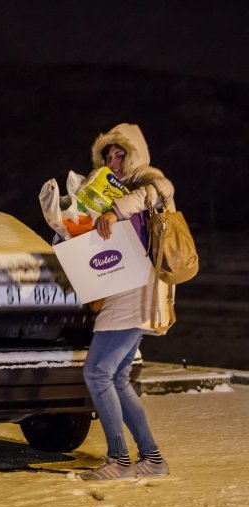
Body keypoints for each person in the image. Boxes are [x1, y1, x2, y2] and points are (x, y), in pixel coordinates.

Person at [79, 123, 174, 481]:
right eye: (108, 155)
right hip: (118, 285)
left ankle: (119, 461)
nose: (113, 160)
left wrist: (114, 211)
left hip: (138, 287)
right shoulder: (104, 187)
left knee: (97, 372)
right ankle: (153, 460)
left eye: (120, 153)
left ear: (134, 154)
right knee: (116, 377)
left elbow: (160, 190)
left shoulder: (148, 181)